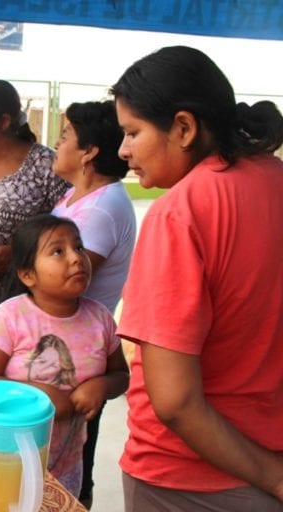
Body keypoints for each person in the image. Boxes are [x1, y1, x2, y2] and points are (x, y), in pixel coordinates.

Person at [111, 46, 283, 511]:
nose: (123, 150)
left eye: (132, 132)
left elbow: (176, 402)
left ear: (184, 127)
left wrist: (274, 478)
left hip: (187, 477)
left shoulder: (181, 212)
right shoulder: (274, 179)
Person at [0, 214, 129, 497]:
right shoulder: (10, 317)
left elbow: (121, 376)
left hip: (67, 461)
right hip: (8, 458)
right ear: (27, 275)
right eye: (58, 251)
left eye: (79, 247)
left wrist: (102, 385)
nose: (75, 258)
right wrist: (38, 395)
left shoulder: (101, 319)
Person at [50, 100, 136, 508]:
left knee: (71, 463)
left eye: (65, 136)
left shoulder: (102, 208)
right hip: (59, 346)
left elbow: (63, 284)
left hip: (78, 359)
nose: (57, 142)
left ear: (88, 152)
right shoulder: (78, 196)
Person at [0, 79, 69, 282]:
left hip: (26, 289)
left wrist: (17, 252)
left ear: (4, 122)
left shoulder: (44, 163)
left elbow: (70, 226)